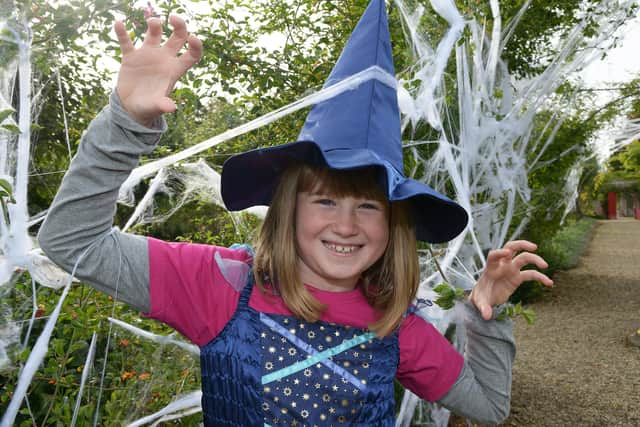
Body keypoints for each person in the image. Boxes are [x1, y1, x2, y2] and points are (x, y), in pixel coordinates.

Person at [38, 1, 553, 426]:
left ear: (394, 224)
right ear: (288, 208)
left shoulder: (398, 327)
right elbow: (72, 244)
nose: (346, 225)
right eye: (325, 200)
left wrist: (485, 313)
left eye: (369, 206)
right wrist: (125, 122)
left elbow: (489, 407)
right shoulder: (218, 285)